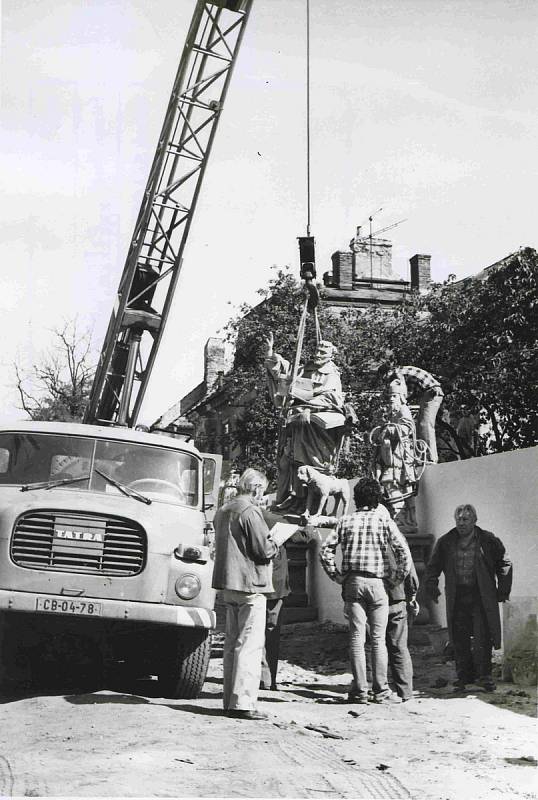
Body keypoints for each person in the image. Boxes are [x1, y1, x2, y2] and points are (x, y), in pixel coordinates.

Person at [312, 477, 413, 704]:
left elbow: (325, 550)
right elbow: (404, 554)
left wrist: (336, 575)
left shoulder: (345, 521)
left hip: (353, 583)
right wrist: (395, 580)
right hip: (378, 584)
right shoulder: (384, 521)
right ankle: (381, 691)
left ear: (356, 499)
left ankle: (359, 690)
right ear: (377, 499)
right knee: (378, 639)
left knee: (357, 638)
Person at [212, 468, 279, 720]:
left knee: (232, 644)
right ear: (257, 488)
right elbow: (262, 549)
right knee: (249, 645)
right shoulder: (250, 511)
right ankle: (242, 703)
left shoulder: (224, 510)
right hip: (250, 584)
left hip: (228, 584)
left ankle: (229, 700)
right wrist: (276, 542)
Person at [423, 504, 512, 692]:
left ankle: (484, 676)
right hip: (458, 596)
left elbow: (504, 562)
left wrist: (502, 590)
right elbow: (433, 567)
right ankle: (464, 676)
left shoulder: (488, 540)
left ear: (474, 521)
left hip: (480, 595)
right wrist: (432, 586)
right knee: (459, 636)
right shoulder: (446, 541)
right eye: (458, 519)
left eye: (465, 520)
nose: (461, 523)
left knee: (483, 636)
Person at [264, 332, 346, 512]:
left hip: (315, 430)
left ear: (331, 355)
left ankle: (308, 505)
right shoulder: (305, 368)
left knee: (309, 466)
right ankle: (293, 498)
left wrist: (309, 404)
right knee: (288, 461)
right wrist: (271, 354)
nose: (318, 355)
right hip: (297, 426)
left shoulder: (331, 374)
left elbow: (333, 399)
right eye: (317, 351)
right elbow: (286, 373)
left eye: (323, 353)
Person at [379, 363, 444, 463]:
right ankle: (422, 457)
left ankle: (430, 457)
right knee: (420, 426)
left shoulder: (397, 374)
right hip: (427, 392)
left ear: (388, 372)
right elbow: (409, 394)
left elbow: (402, 393)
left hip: (432, 392)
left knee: (425, 425)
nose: (386, 380)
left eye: (384, 377)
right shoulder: (402, 371)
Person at [260, 544, 290, 691]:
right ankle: (268, 678)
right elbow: (304, 537)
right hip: (274, 584)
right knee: (271, 632)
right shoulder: (285, 520)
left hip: (255, 581)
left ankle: (262, 677)